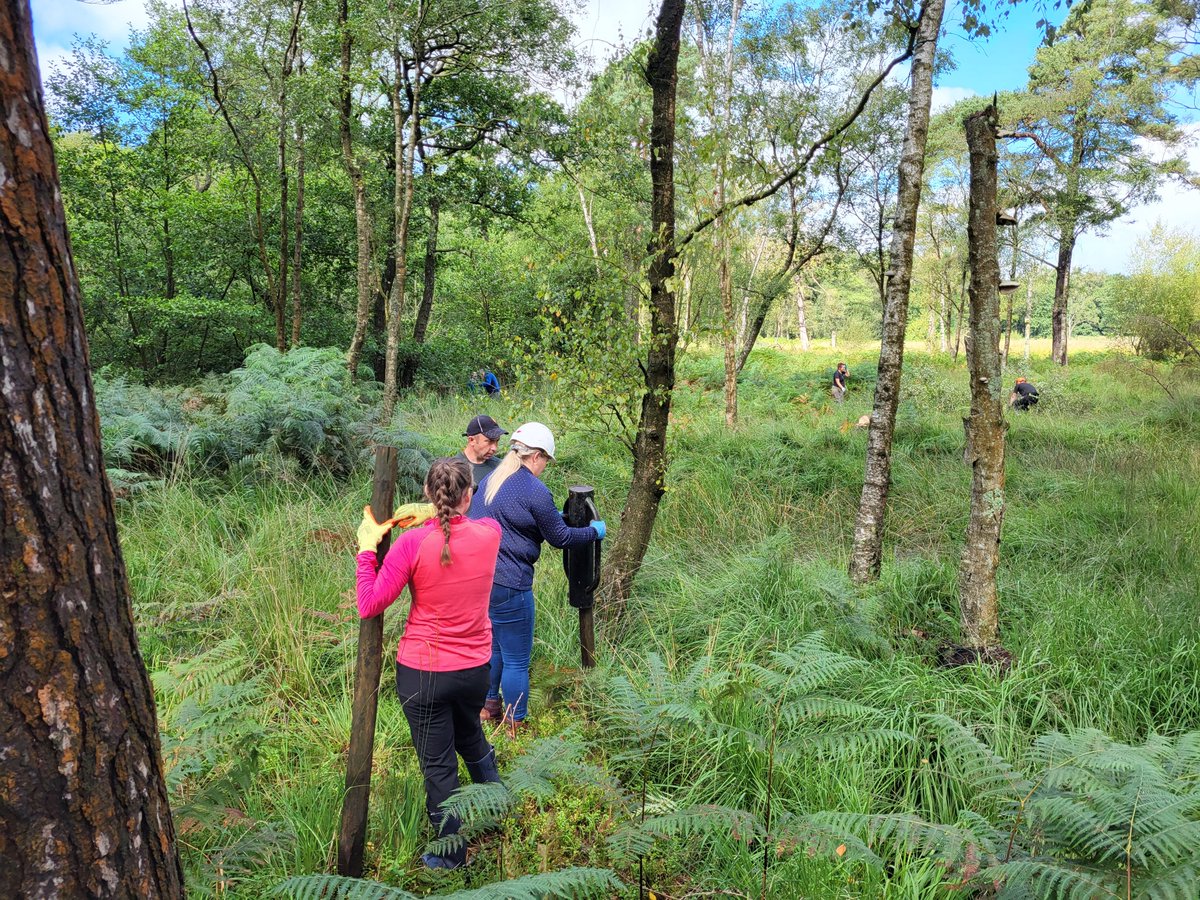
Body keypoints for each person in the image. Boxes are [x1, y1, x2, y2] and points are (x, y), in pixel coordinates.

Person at [355, 457, 503, 870]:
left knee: (439, 764)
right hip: (475, 669)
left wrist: (368, 550)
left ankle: (449, 855)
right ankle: (496, 803)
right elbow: (481, 521)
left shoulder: (410, 544)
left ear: (427, 494)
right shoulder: (490, 536)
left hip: (424, 673)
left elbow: (370, 604)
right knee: (470, 735)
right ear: (469, 495)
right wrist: (432, 516)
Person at [468, 422, 603, 730]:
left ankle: (488, 706)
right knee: (516, 659)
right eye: (546, 461)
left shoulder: (493, 478)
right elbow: (561, 538)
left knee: (495, 647)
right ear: (537, 456)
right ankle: (516, 725)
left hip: (479, 580)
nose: (545, 467)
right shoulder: (534, 489)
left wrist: (550, 518)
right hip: (511, 584)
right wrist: (592, 532)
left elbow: (507, 516)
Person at [457, 414, 507, 488]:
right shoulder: (454, 469)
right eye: (489, 441)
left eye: (497, 441)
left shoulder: (501, 467)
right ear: (472, 440)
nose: (494, 448)